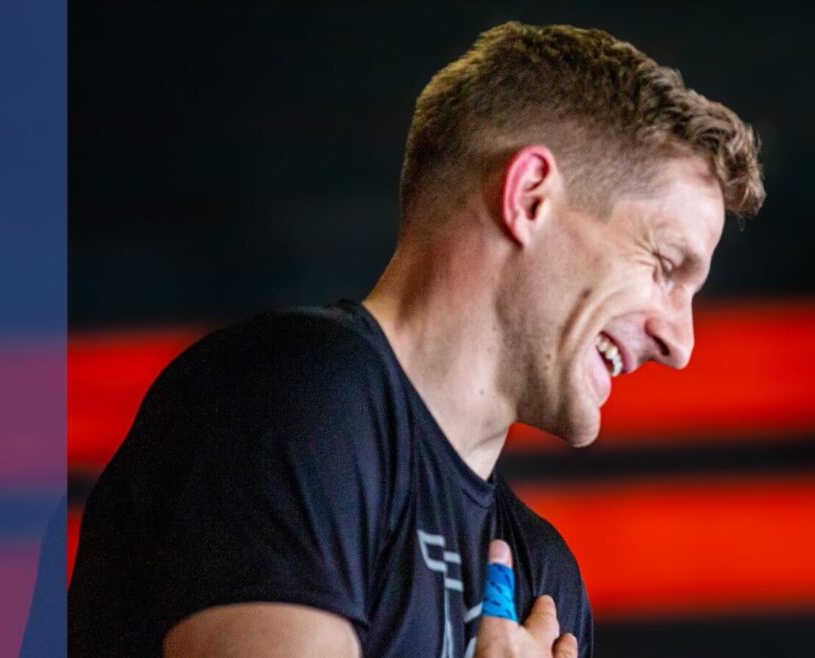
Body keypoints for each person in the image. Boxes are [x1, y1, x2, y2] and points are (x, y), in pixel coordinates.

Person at [68, 21, 764, 658]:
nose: (680, 342)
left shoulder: (541, 583)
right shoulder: (292, 398)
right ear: (529, 198)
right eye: (664, 265)